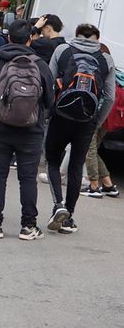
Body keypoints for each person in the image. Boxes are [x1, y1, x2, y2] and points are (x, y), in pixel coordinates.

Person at [0, 20, 54, 240]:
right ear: (30, 39)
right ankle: (28, 226)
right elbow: (49, 100)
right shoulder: (40, 65)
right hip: (31, 130)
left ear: (9, 38)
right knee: (28, 178)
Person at [44, 23, 115, 234]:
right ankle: (69, 218)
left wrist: (48, 113)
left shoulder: (62, 50)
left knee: (53, 162)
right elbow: (109, 97)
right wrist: (96, 121)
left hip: (60, 116)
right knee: (76, 165)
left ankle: (59, 204)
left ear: (76, 36)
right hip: (87, 121)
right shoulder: (106, 59)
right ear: (97, 38)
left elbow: (48, 82)